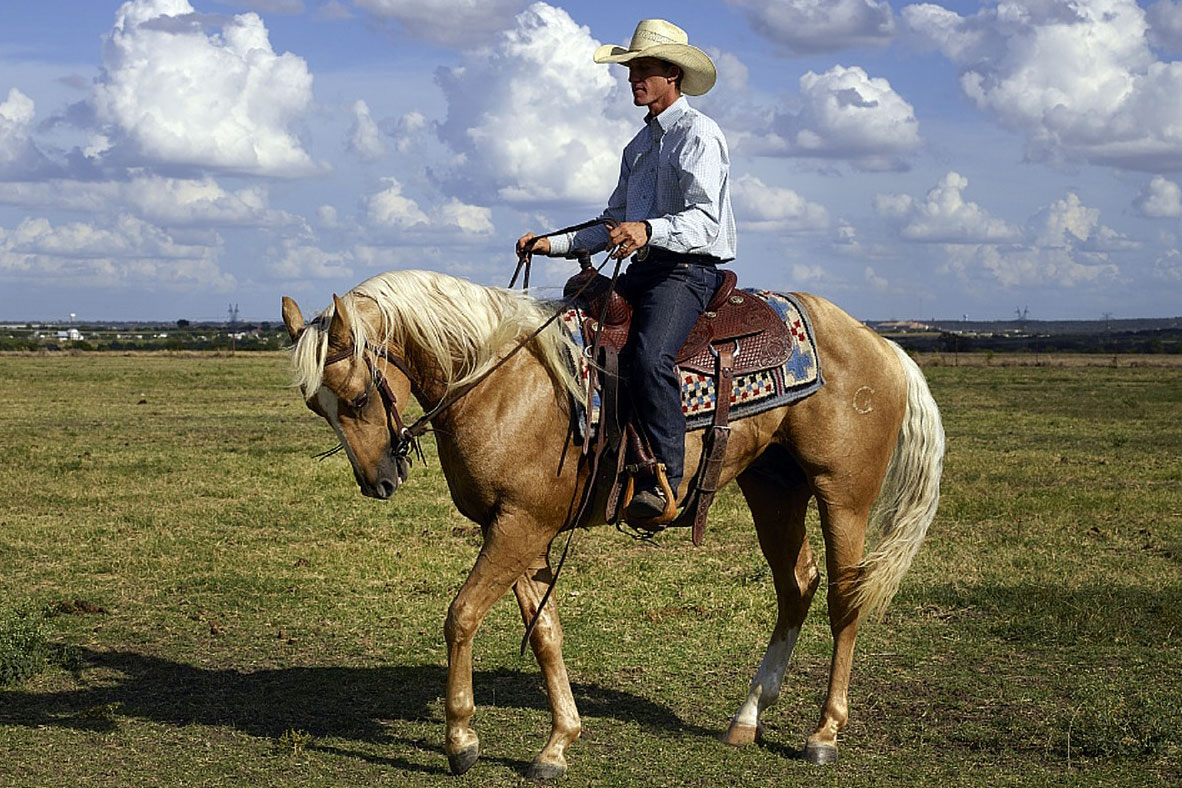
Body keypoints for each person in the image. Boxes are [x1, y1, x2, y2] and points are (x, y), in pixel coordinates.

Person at [517, 18, 736, 522]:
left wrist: (649, 231)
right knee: (570, 334)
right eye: (631, 69)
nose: (634, 77)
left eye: (644, 69)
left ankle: (665, 481)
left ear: (672, 75)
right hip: (644, 267)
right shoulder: (637, 147)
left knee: (649, 356)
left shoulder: (700, 135)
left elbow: (705, 221)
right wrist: (550, 244)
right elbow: (612, 222)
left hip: (686, 272)